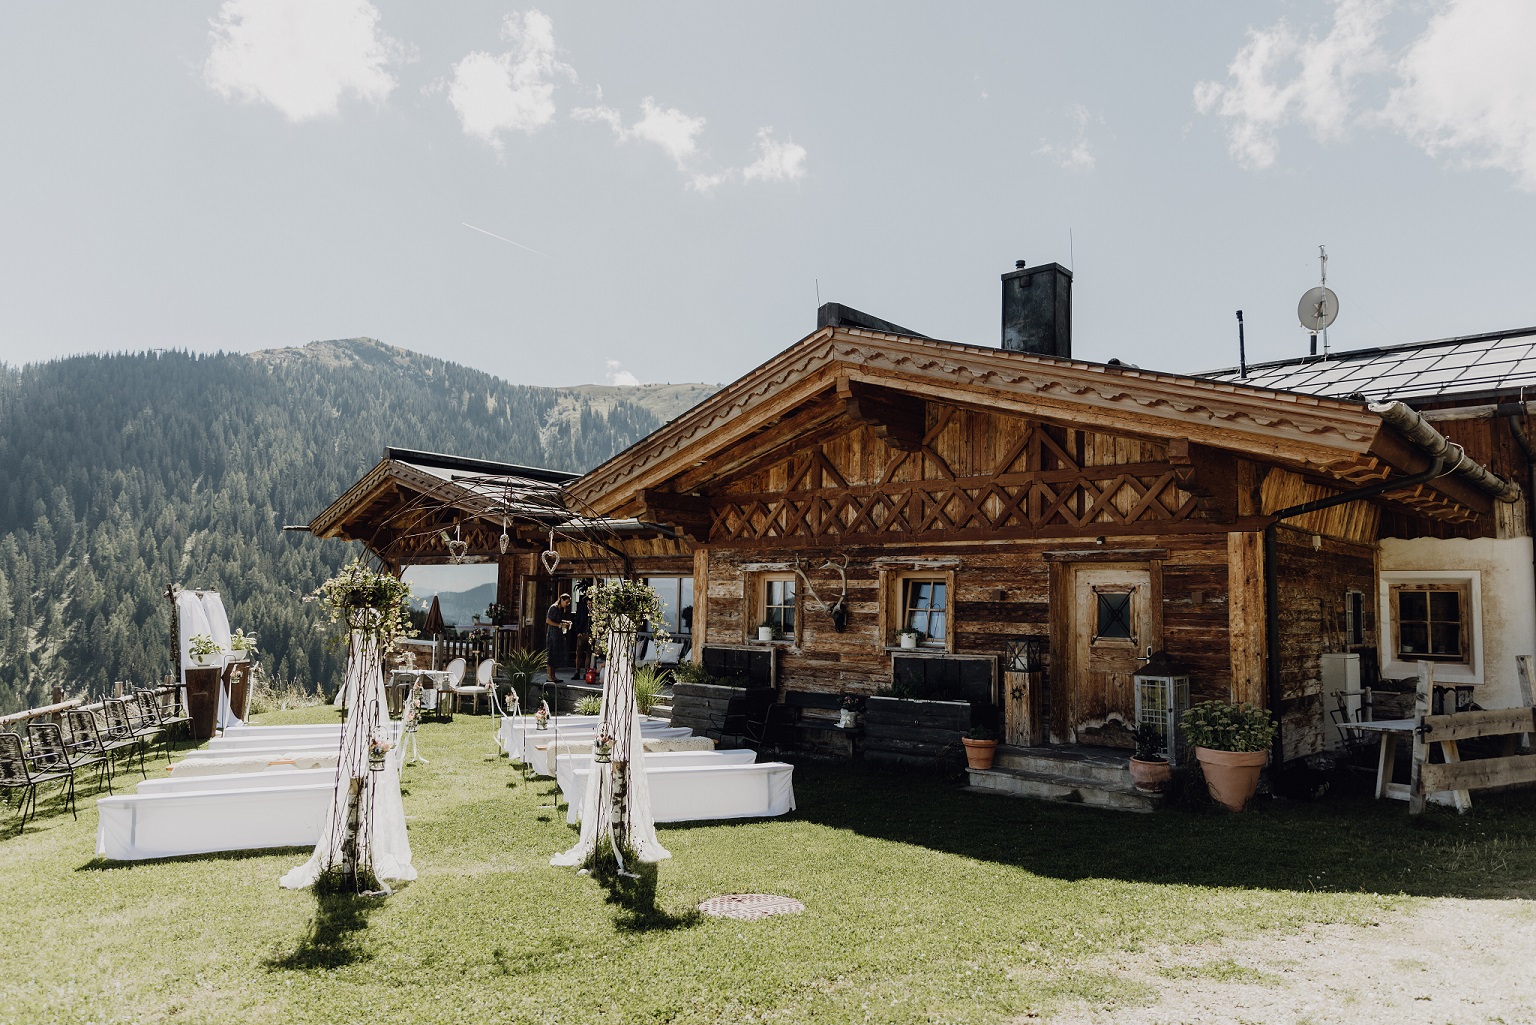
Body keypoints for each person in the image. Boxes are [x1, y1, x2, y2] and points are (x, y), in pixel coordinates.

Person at [544, 593, 572, 682]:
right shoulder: (553, 608)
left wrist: (566, 622)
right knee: (551, 654)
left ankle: (553, 676)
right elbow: (548, 620)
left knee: (555, 654)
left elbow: (558, 620)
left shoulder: (560, 609)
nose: (567, 604)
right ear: (562, 600)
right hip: (552, 634)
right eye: (566, 602)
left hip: (558, 634)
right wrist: (559, 625)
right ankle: (549, 676)